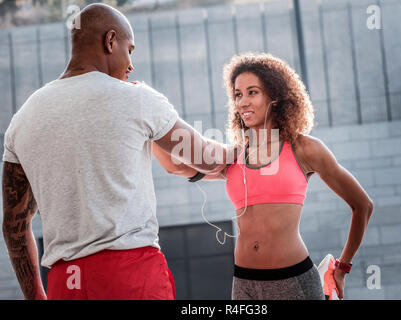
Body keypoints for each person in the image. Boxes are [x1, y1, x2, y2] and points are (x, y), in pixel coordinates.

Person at [1, 3, 235, 300]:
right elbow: (204, 157)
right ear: (110, 41)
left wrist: (35, 295)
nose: (131, 64)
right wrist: (250, 151)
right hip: (131, 276)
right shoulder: (137, 98)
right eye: (130, 50)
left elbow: (14, 224)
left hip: (65, 283)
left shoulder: (23, 119)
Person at [153, 52, 374, 300]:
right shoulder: (235, 155)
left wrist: (343, 268)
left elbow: (362, 205)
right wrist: (149, 125)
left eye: (252, 92)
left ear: (275, 96)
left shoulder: (304, 148)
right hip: (244, 284)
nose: (242, 102)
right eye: (238, 94)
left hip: (294, 282)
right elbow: (175, 166)